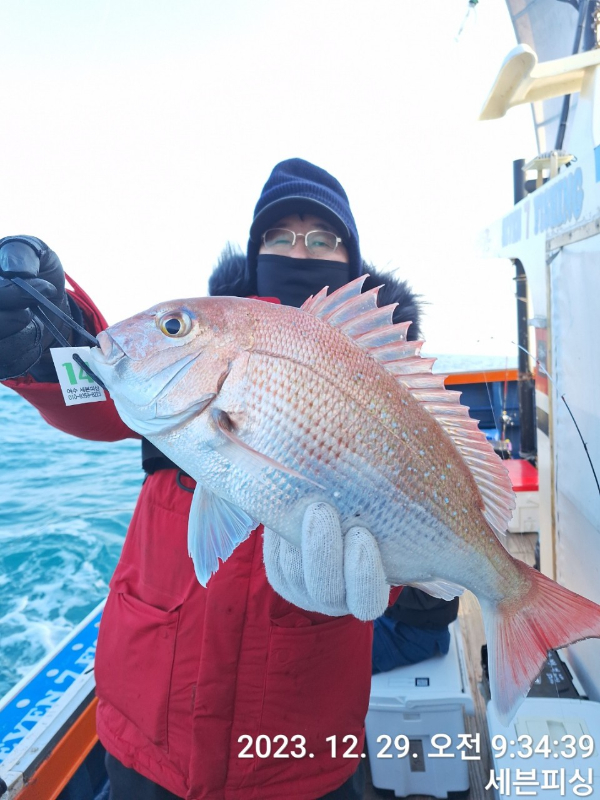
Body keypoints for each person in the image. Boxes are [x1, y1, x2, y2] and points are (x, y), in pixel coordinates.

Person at [0, 158, 423, 800]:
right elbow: (97, 388)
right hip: (150, 725)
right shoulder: (196, 355)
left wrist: (408, 588)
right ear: (254, 252)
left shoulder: (384, 380)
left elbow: (407, 515)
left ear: (350, 258)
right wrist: (45, 333)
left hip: (297, 744)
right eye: (279, 235)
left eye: (322, 238)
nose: (298, 250)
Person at [372, 589, 459, 674]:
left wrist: (377, 585)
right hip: (394, 614)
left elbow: (424, 597)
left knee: (363, 654)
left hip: (418, 632)